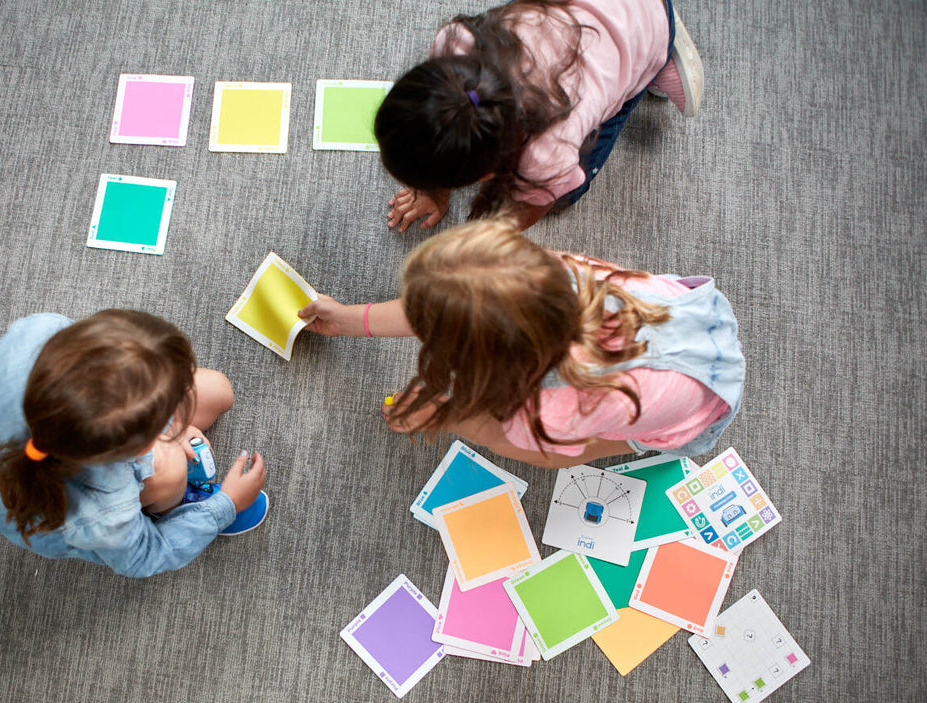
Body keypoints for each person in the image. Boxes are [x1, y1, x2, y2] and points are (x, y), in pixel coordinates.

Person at [300, 219, 744, 467]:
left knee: (604, 438)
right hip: (692, 316)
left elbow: (558, 456)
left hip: (700, 403)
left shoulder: (551, 409)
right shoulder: (551, 273)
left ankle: (644, 440)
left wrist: (451, 419)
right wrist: (351, 319)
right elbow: (451, 307)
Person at [0, 310, 267, 578]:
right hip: (64, 496)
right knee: (173, 469)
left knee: (217, 390)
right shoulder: (105, 515)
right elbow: (146, 556)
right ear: (131, 448)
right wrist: (225, 505)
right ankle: (167, 505)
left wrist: (166, 425)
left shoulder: (39, 331)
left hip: (67, 437)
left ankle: (160, 446)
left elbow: (94, 398)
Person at [376, 0, 703, 232]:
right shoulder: (455, 40)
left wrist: (484, 242)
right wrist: (435, 187)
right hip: (592, 13)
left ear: (486, 175)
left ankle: (660, 59)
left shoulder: (548, 152)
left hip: (648, 27)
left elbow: (534, 203)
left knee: (566, 192)